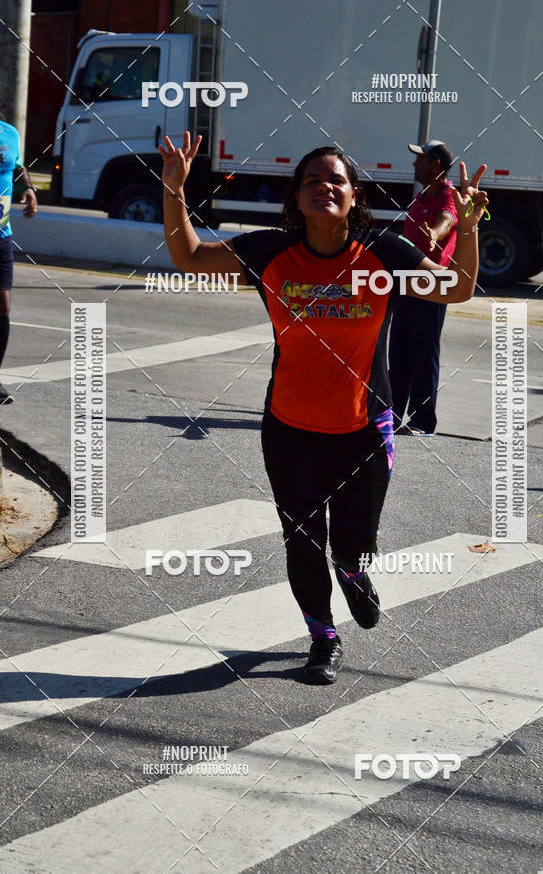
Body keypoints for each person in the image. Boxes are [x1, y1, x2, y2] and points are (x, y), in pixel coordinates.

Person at [160, 132, 488, 685]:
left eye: (335, 179)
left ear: (354, 194)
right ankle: (322, 639)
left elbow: (455, 290)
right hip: (289, 427)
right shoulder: (270, 251)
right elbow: (189, 256)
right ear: (297, 196)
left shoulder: (384, 251)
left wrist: (470, 229)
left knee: (350, 544)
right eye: (311, 181)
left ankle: (356, 574)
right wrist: (174, 192)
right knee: (303, 541)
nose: (324, 188)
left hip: (364, 428)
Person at [388, 140, 458, 435]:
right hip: (406, 283)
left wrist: (436, 234)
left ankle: (422, 422)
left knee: (424, 353)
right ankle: (390, 415)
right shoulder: (423, 196)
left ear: (436, 166)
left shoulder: (448, 196)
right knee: (399, 353)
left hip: (430, 285)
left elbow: (448, 220)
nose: (415, 164)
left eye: (421, 159)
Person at [0, 118, 37, 404]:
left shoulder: (9, 132)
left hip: (2, 235)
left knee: (3, 304)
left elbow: (19, 165)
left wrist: (30, 189)